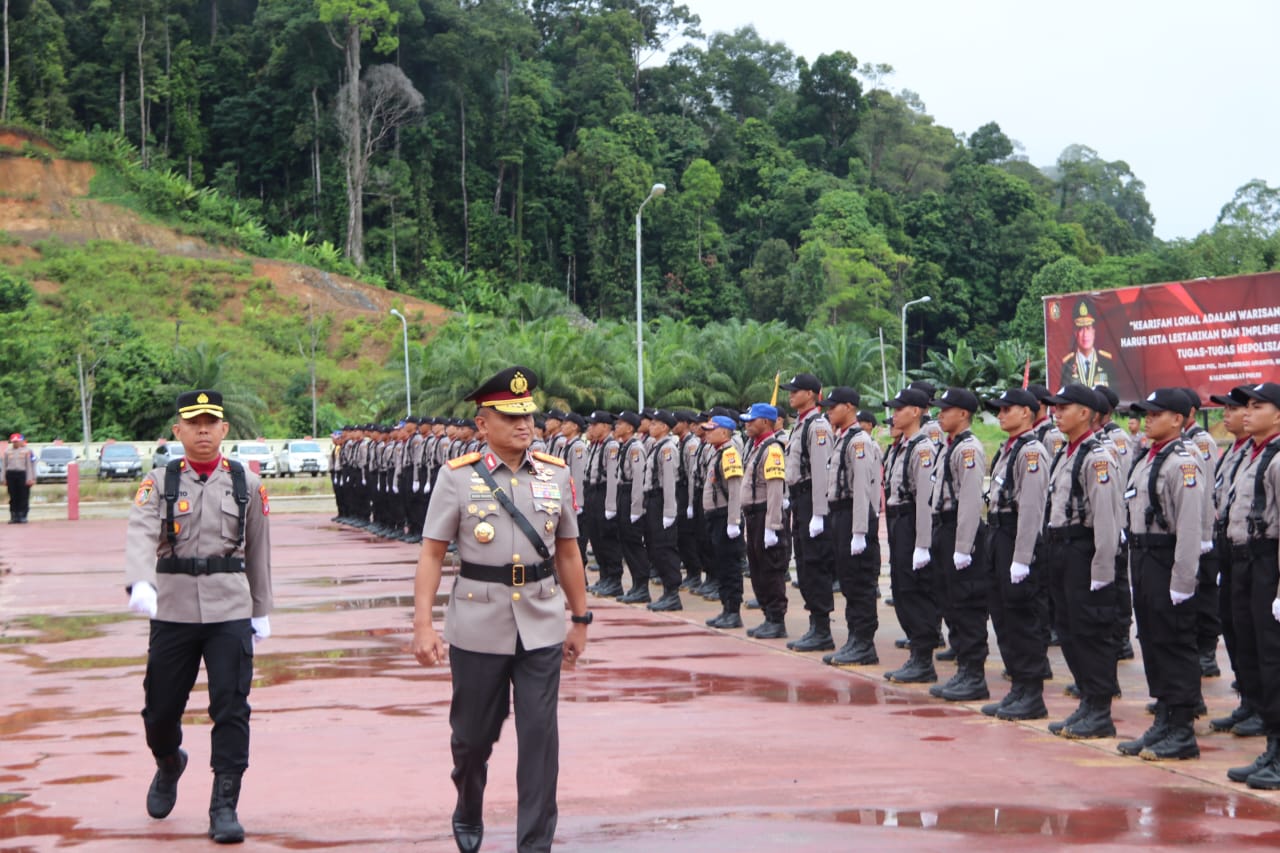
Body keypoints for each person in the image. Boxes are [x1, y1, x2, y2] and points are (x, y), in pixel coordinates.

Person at [411, 366, 590, 852]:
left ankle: (534, 844)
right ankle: (468, 801)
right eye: (509, 416)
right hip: (477, 624)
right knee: (472, 738)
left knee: (539, 738)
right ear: (483, 423)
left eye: (527, 415)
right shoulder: (457, 479)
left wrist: (580, 618)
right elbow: (431, 552)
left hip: (542, 622)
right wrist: (423, 624)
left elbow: (568, 552)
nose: (523, 425)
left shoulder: (554, 474)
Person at [123, 390, 273, 844]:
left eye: (212, 422)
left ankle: (224, 805)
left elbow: (261, 552)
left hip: (230, 609)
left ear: (225, 429)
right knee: (159, 709)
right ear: (179, 431)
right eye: (194, 423)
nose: (203, 430)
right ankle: (169, 761)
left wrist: (261, 611)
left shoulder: (247, 483)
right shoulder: (159, 481)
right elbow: (140, 532)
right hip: (173, 609)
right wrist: (140, 581)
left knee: (231, 708)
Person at [1116, 388, 1204, 761]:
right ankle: (1164, 718)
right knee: (1151, 639)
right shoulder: (1148, 457)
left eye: (1157, 414)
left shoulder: (1183, 462)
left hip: (1168, 558)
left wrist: (1183, 582)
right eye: (1146, 414)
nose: (1148, 419)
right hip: (1144, 557)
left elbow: (1189, 528)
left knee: (1175, 641)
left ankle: (1182, 728)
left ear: (1179, 419)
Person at [1042, 383, 1122, 739]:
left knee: (1091, 630)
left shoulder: (1097, 456)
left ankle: (1100, 709)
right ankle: (1087, 702)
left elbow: (1106, 519)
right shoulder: (1067, 452)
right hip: (1061, 549)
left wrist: (1103, 570)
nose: (1056, 412)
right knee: (1070, 629)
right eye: (1056, 407)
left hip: (1083, 550)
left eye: (1065, 407)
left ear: (1086, 414)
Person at [1222, 382, 1280, 790]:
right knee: (1255, 651)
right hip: (1246, 560)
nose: (1247, 412)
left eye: (1258, 406)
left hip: (1268, 562)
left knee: (1274, 658)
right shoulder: (1252, 454)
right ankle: (1273, 746)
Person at [981, 389, 1051, 721]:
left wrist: (1022, 556)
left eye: (1008, 409)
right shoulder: (1009, 449)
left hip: (1015, 536)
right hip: (998, 534)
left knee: (1022, 615)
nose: (1001, 414)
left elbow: (1032, 508)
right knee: (1003, 614)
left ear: (1026, 413)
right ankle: (1018, 687)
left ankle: (1031, 691)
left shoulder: (1032, 451)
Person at [926, 388, 990, 702]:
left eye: (946, 409)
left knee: (967, 603)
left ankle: (974, 674)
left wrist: (963, 546)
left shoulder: (968, 449)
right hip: (944, 527)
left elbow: (969, 500)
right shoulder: (948, 447)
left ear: (963, 414)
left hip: (959, 530)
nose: (939, 414)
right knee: (950, 600)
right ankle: (964, 669)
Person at [1209, 386, 1263, 737]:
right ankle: (1248, 700)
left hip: (1255, 552)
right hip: (1229, 549)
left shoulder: (1265, 454)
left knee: (1257, 635)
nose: (1230, 415)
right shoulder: (1236, 451)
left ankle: (1263, 708)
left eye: (1236, 408)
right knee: (1234, 628)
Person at [882, 387, 942, 684]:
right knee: (902, 588)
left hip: (911, 522)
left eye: (900, 408)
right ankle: (916, 653)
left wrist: (922, 543)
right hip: (897, 522)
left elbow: (924, 500)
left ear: (916, 411)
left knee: (916, 590)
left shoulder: (923, 449)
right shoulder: (900, 446)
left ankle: (923, 658)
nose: (894, 413)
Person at [820, 386, 882, 666]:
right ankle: (855, 638)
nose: (829, 411)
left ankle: (864, 643)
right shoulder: (841, 438)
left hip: (854, 517)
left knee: (859, 582)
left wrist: (859, 530)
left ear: (849, 407)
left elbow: (861, 488)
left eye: (833, 406)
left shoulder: (859, 442)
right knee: (847, 580)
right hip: (840, 515)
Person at [779, 373, 836, 653]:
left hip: (813, 500)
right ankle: (815, 623)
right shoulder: (800, 425)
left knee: (815, 563)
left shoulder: (818, 426)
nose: (791, 395)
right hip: (800, 500)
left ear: (813, 394)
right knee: (803, 563)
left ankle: (822, 627)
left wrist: (819, 512)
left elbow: (821, 471)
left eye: (796, 390)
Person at [740, 403, 790, 639]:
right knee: (758, 568)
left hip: (764, 515)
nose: (748, 424)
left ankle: (776, 619)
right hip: (754, 515)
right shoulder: (757, 447)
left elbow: (775, 489)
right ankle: (768, 616)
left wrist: (772, 525)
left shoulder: (772, 450)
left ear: (766, 423)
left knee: (770, 567)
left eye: (753, 420)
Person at [701, 414, 747, 629]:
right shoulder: (717, 452)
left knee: (730, 566)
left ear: (724, 432)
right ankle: (725, 608)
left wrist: (733, 520)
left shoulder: (729, 454)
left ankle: (733, 611)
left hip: (724, 517)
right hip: (716, 516)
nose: (707, 433)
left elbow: (735, 488)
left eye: (712, 429)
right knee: (720, 564)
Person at [642, 410, 683, 611]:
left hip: (661, 500)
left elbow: (668, 482)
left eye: (655, 424)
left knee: (666, 547)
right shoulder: (656, 446)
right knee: (656, 547)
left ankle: (672, 593)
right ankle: (668, 592)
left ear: (665, 427)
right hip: (653, 500)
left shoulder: (667, 449)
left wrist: (669, 511)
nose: (651, 426)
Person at [610, 411, 652, 604]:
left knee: (634, 543)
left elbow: (638, 481)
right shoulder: (625, 446)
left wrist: (636, 508)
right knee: (625, 541)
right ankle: (636, 584)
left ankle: (642, 586)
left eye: (620, 424)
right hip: (622, 494)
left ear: (629, 428)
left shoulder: (635, 448)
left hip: (630, 495)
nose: (616, 427)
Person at [1060, 299, 1115, 388]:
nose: (1085, 334)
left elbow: (1114, 393)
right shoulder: (1068, 363)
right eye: (1081, 329)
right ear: (1075, 333)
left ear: (1094, 331)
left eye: (1088, 328)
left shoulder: (1106, 361)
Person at [4, 432, 36, 523]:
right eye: (14, 442)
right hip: (11, 475)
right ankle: (14, 516)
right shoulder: (7, 451)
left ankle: (23, 516)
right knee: (13, 496)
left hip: (23, 474)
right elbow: (4, 466)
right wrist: (3, 479)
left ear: (21, 441)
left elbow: (30, 466)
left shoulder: (27, 451)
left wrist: (31, 478)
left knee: (23, 496)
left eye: (17, 441)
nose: (15, 443)